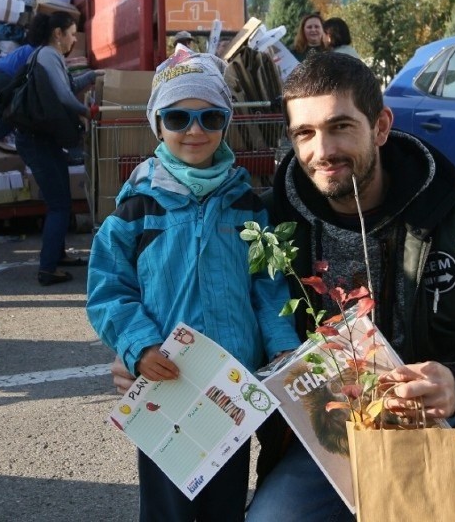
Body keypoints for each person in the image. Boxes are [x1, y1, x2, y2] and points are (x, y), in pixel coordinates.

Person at [245, 52, 455, 521]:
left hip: (446, 422)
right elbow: (215, 309)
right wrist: (153, 363)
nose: (322, 150)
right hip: (330, 444)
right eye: (304, 133)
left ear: (381, 126)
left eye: (341, 126)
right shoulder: (266, 226)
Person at [86, 49, 301, 522]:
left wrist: (283, 350)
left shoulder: (246, 202)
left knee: (224, 504)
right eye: (178, 117)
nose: (195, 129)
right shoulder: (136, 209)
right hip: (170, 383)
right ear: (157, 124)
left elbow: (268, 287)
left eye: (210, 116)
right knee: (169, 509)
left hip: (230, 383)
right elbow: (109, 290)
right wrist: (138, 346)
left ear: (226, 121)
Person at [14, 11, 99, 286]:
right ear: (58, 34)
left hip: (42, 139)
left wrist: (93, 75)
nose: (74, 40)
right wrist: (87, 112)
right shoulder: (49, 55)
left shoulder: (47, 56)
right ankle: (48, 269)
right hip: (37, 140)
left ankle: (58, 255)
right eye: (72, 33)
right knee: (59, 204)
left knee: (60, 199)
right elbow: (64, 96)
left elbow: (68, 85)